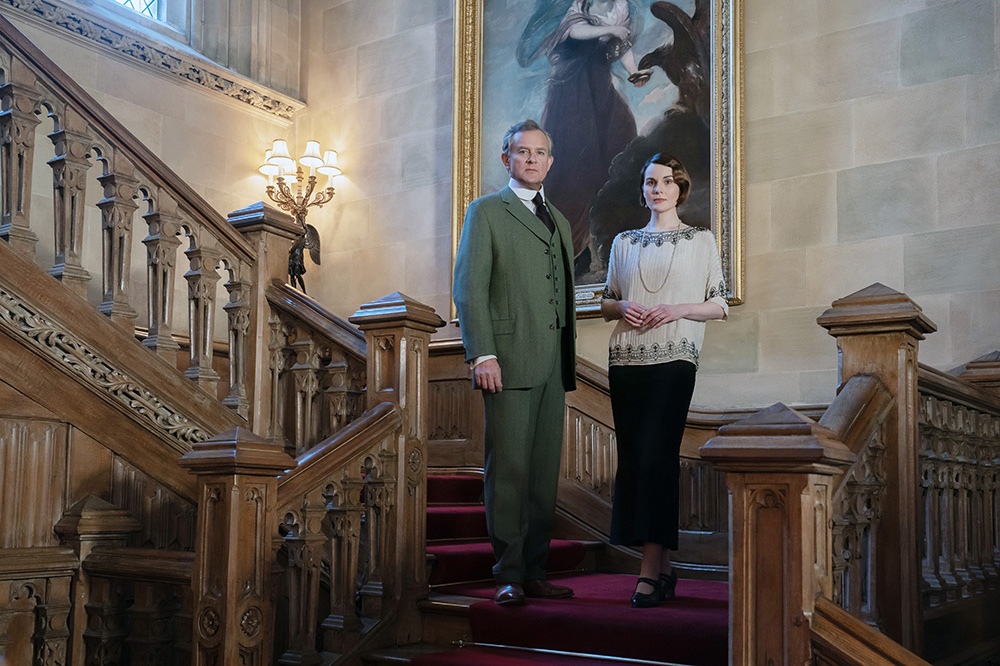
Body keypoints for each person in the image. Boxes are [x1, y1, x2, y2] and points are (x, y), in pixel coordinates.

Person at [453, 119, 577, 606]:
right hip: (505, 360)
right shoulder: (485, 211)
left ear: (551, 161)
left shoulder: (560, 220)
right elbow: (469, 287)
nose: (531, 159)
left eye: (540, 152)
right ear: (506, 159)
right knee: (508, 472)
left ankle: (536, 571)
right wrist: (482, 353)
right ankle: (507, 573)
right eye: (522, 151)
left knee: (543, 475)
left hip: (553, 366)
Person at [599, 154, 727, 607]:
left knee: (658, 458)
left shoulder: (701, 240)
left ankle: (648, 571)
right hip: (625, 360)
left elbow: (718, 305)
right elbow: (607, 302)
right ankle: (665, 570)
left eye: (668, 182)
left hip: (675, 358)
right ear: (643, 189)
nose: (658, 189)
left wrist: (677, 310)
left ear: (681, 189)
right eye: (651, 182)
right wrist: (622, 307)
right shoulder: (624, 242)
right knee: (637, 460)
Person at [517, 0, 650, 280]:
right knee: (577, 165)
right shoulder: (579, 5)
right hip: (572, 95)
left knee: (620, 140)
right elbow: (575, 30)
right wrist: (611, 29)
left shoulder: (620, 6)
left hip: (599, 91)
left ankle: (612, 241)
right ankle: (574, 249)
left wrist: (634, 72)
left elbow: (621, 46)